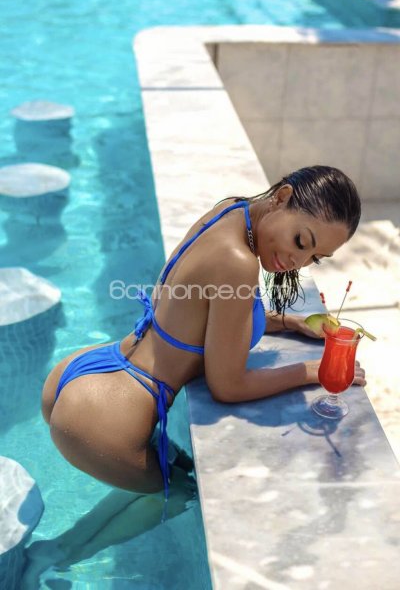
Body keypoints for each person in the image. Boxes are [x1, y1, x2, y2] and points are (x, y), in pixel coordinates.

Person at [41, 164, 366, 524]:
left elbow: (209, 304)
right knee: (184, 496)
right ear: (282, 197)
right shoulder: (238, 262)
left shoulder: (231, 211)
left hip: (93, 368)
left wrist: (289, 321)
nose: (298, 262)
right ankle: (62, 551)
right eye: (301, 242)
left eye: (314, 258)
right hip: (106, 417)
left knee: (172, 480)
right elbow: (228, 386)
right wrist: (313, 371)